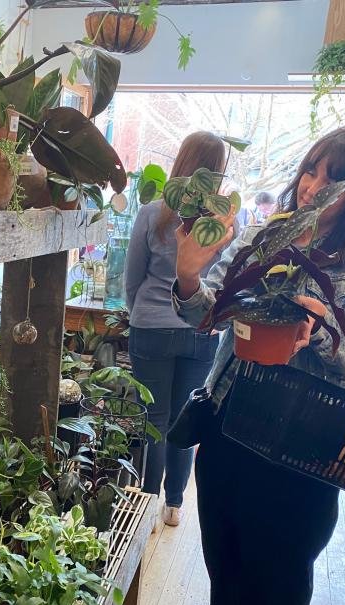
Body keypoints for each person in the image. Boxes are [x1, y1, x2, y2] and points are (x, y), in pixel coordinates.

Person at [173, 125, 345, 605]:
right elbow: (211, 316)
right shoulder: (266, 235)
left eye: (336, 179)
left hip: (303, 435)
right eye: (313, 169)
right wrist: (191, 274)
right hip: (229, 413)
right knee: (221, 532)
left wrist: (323, 327)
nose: (314, 186)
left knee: (280, 556)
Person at [125, 131, 229, 528]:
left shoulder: (153, 212)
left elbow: (133, 277)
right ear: (218, 173)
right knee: (185, 417)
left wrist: (143, 314)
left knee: (153, 416)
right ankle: (173, 505)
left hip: (150, 327)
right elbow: (223, 282)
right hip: (201, 329)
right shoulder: (224, 222)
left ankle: (145, 504)